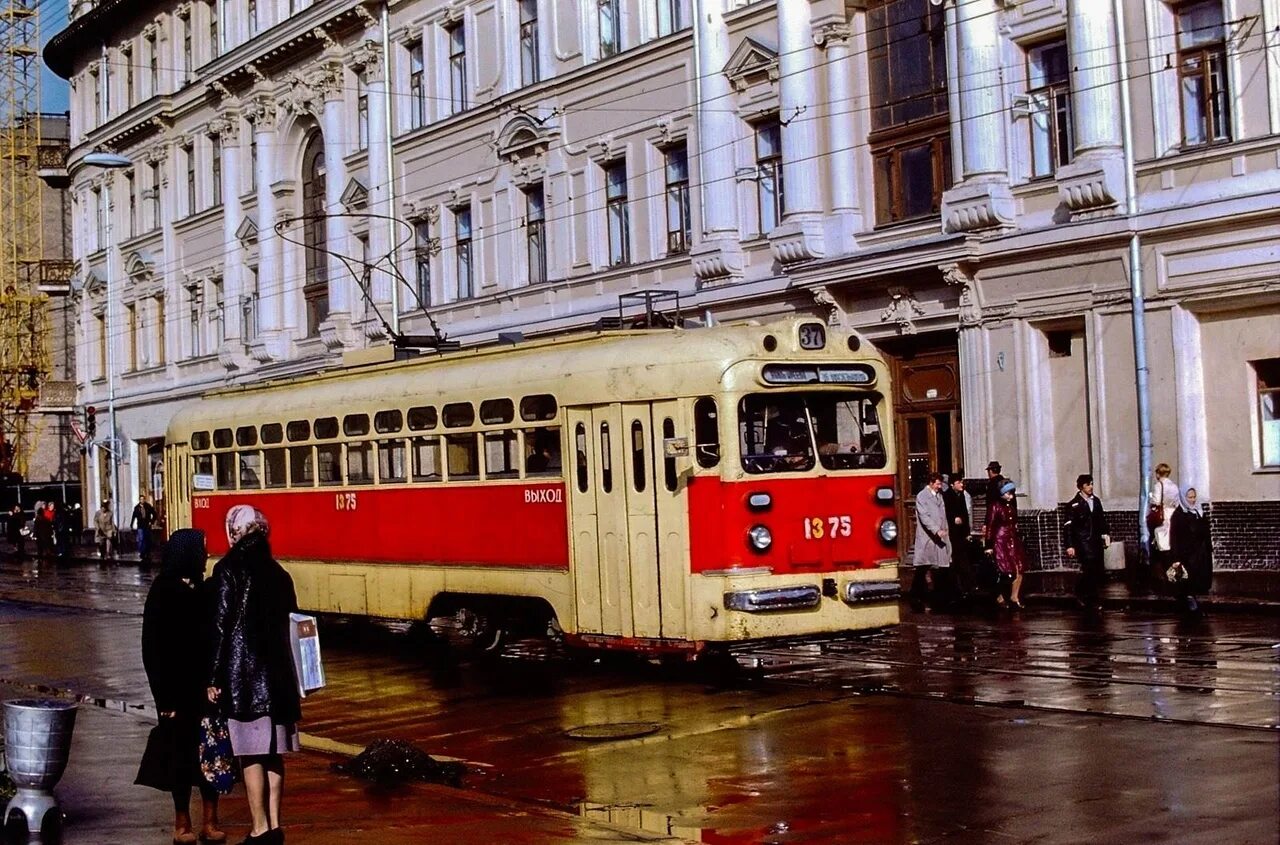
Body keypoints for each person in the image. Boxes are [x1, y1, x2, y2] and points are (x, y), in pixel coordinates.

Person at [207, 506, 301, 845]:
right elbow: (294, 625)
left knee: (250, 754)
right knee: (274, 753)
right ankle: (275, 826)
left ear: (234, 533)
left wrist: (213, 677)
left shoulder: (228, 569)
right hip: (279, 681)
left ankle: (259, 828)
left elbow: (219, 628)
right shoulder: (280, 573)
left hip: (244, 680)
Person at [139, 529, 227, 845]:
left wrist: (216, 683)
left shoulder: (203, 590)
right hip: (176, 692)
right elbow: (152, 649)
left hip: (205, 690)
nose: (205, 557)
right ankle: (182, 822)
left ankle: (210, 820)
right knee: (180, 756)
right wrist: (163, 696)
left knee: (211, 755)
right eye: (201, 551)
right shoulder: (163, 592)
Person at [1065, 473, 1110, 612]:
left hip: (1095, 540)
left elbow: (1101, 519)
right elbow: (1068, 527)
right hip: (1082, 541)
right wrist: (1070, 545)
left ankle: (1082, 592)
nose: (1090, 487)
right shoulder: (1074, 504)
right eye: (1087, 484)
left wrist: (1106, 534)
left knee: (1096, 570)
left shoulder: (1095, 501)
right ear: (1081, 487)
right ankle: (1091, 599)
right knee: (1089, 569)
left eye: (1091, 484)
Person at [910, 472, 952, 611]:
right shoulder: (922, 496)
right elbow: (924, 517)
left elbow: (943, 516)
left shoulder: (939, 496)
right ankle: (916, 596)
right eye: (938, 484)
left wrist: (944, 531)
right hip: (928, 537)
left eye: (940, 484)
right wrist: (936, 530)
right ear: (931, 483)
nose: (939, 487)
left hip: (939, 537)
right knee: (923, 567)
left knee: (939, 567)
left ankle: (937, 597)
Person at [1168, 487, 1213, 614]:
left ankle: (1193, 604)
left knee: (1199, 580)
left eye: (1194, 497)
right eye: (1189, 497)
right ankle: (1191, 604)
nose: (1192, 500)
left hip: (1200, 553)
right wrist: (1175, 558)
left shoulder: (1199, 511)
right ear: (1183, 497)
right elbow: (1174, 537)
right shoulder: (1179, 515)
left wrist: (1208, 548)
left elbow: (1205, 531)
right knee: (1188, 580)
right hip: (1186, 554)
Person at [985, 480, 1028, 609]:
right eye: (1009, 493)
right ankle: (999, 595)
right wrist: (988, 545)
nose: (1011, 497)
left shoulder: (1010, 506)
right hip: (1000, 541)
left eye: (1012, 494)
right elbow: (990, 526)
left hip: (1012, 539)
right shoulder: (995, 506)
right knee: (1005, 570)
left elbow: (1014, 522)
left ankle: (1014, 597)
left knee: (1019, 568)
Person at [942, 472, 976, 599]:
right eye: (959, 483)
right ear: (952, 485)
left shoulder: (961, 495)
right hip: (951, 533)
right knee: (955, 560)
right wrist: (953, 519)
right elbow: (945, 513)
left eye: (962, 482)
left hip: (961, 533)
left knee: (962, 559)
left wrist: (967, 532)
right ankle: (958, 587)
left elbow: (966, 515)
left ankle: (966, 587)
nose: (962, 485)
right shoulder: (947, 496)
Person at [1149, 463, 1180, 588]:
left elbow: (1155, 501)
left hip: (1162, 518)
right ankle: (1173, 573)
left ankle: (1165, 575)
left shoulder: (1158, 485)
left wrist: (1151, 498)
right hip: (1173, 516)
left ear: (1158, 473)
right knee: (1171, 545)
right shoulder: (1174, 486)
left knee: (1162, 547)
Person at [133, 494, 159, 566]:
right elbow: (134, 516)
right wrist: (131, 524)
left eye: (143, 499)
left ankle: (147, 552)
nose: (142, 500)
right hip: (140, 526)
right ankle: (142, 552)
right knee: (141, 539)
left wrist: (152, 521)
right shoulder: (137, 508)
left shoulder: (148, 506)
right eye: (141, 499)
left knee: (147, 539)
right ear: (139, 500)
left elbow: (154, 514)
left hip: (147, 525)